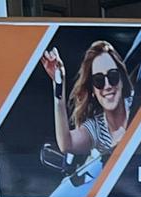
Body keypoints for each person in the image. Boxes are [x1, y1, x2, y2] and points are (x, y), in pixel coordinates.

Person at [42, 39, 135, 185]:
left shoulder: (140, 106)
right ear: (92, 91)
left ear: (122, 80)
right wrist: (58, 83)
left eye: (113, 76)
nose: (107, 86)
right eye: (99, 80)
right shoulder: (97, 128)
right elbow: (66, 144)